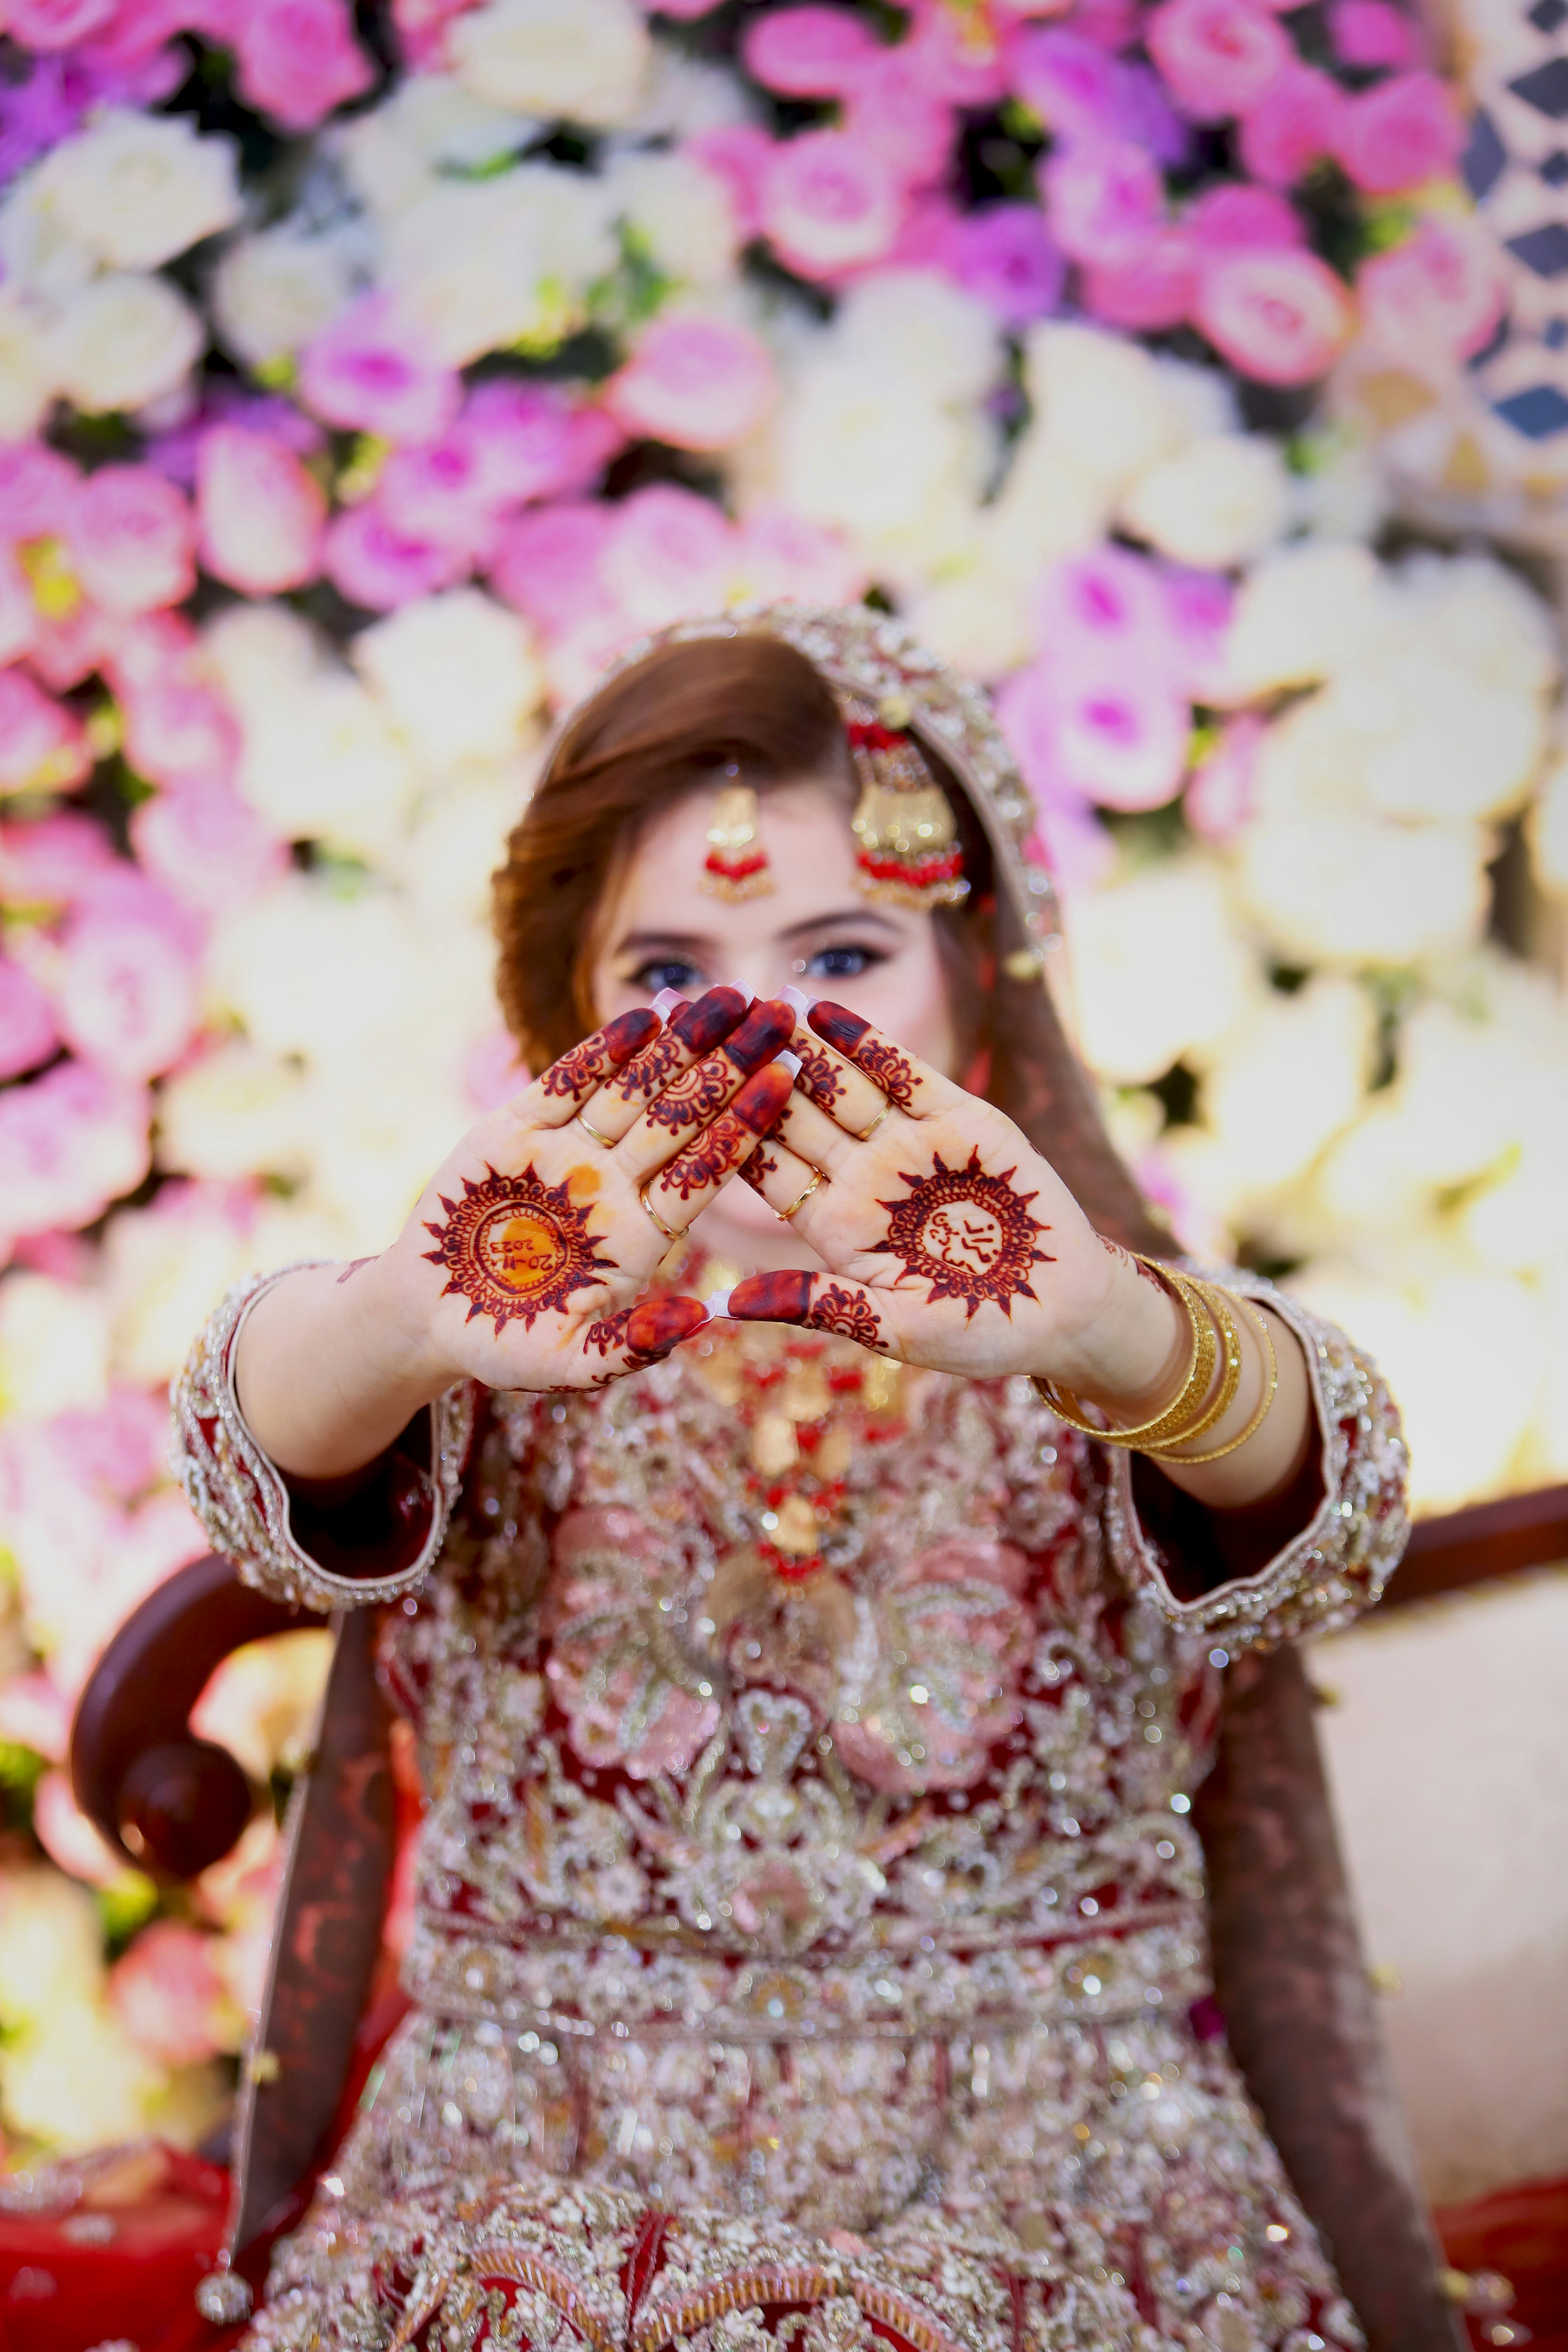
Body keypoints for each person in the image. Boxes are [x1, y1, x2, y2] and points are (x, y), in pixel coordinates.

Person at [174, 604, 1407, 2352]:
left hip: (1058, 2219)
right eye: (667, 977)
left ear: (975, 989)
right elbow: (248, 1464)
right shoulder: (502, 1344)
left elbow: (1332, 1510)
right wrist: (393, 1320)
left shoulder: (1092, 1342)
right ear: (566, 1017)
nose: (760, 1043)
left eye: (841, 957)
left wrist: (1117, 1336)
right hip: (536, 2224)